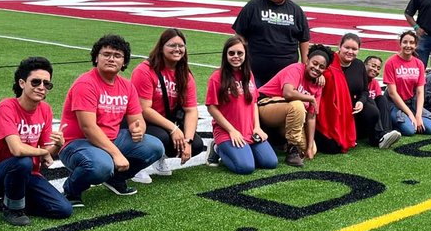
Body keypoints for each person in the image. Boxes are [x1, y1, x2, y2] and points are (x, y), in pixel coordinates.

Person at [58, 34, 164, 206]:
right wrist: (116, 154)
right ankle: (71, 190)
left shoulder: (126, 86)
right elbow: (88, 128)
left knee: (154, 146)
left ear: (124, 62)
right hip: (78, 143)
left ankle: (116, 179)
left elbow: (137, 119)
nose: (111, 59)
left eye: (117, 56)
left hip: (112, 138)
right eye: (106, 54)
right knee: (102, 166)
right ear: (96, 57)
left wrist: (139, 129)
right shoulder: (85, 84)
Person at [0, 57, 72, 227]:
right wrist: (44, 152)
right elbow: (17, 150)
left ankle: (8, 202)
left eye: (47, 84)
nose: (41, 87)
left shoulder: (45, 109)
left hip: (28, 174)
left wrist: (57, 145)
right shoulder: (7, 106)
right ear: (22, 83)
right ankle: (12, 210)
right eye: (36, 82)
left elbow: (46, 153)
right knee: (23, 161)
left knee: (63, 209)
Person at [130, 28, 205, 182]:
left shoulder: (184, 74)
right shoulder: (145, 70)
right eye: (172, 45)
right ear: (161, 47)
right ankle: (136, 164)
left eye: (181, 45)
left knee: (197, 144)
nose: (177, 49)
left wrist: (188, 141)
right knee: (163, 136)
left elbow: (191, 110)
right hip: (139, 120)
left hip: (164, 121)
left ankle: (159, 156)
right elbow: (143, 109)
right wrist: (173, 129)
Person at [205, 35, 279, 174]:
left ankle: (244, 151)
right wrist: (232, 130)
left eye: (240, 53)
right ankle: (217, 148)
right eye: (231, 53)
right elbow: (211, 107)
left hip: (250, 131)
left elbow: (254, 103)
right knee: (245, 168)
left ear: (245, 54)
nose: (236, 56)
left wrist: (257, 127)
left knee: (270, 163)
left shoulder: (248, 74)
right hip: (228, 132)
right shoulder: (217, 77)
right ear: (225, 55)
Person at [317, 33, 401, 153]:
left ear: (358, 50)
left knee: (372, 111)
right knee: (332, 147)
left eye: (354, 49)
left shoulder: (359, 65)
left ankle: (378, 137)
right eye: (347, 47)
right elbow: (312, 66)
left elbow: (364, 91)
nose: (350, 51)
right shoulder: (328, 62)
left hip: (353, 108)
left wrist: (361, 102)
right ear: (339, 46)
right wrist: (319, 75)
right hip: (331, 109)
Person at [232, 0, 311, 87]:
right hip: (255, 73)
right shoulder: (253, 6)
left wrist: (305, 65)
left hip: (287, 75)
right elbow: (239, 35)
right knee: (253, 103)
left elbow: (304, 39)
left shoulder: (296, 10)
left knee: (283, 104)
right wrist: (241, 59)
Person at [257, 44, 331, 166]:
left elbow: (311, 117)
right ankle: (292, 150)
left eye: (321, 67)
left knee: (311, 149)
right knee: (297, 105)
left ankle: (278, 140)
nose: (317, 68)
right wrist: (310, 98)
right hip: (264, 104)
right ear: (307, 61)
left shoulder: (318, 85)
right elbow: (288, 93)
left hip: (286, 114)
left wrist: (310, 145)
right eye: (315, 63)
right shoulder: (296, 69)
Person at [383, 30, 431, 136]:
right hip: (394, 103)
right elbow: (392, 94)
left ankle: (408, 117)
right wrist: (409, 114)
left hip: (412, 103)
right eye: (405, 42)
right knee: (410, 130)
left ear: (416, 45)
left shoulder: (419, 64)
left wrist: (418, 115)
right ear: (400, 43)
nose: (408, 45)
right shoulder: (391, 62)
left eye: (411, 42)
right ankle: (390, 121)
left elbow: (420, 92)